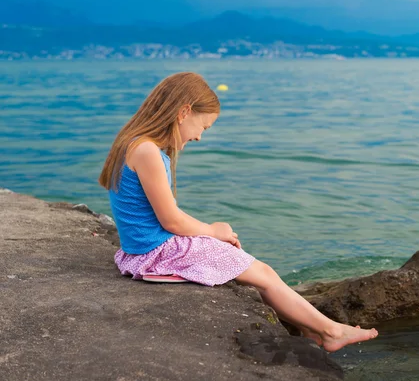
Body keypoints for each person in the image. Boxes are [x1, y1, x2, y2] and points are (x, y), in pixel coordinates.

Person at [98, 72, 378, 352]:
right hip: (157, 253)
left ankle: (307, 326)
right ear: (184, 112)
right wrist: (212, 230)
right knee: (263, 274)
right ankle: (330, 332)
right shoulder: (147, 151)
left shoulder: (134, 143)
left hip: (142, 250)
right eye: (203, 127)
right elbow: (171, 220)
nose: (198, 137)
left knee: (246, 266)